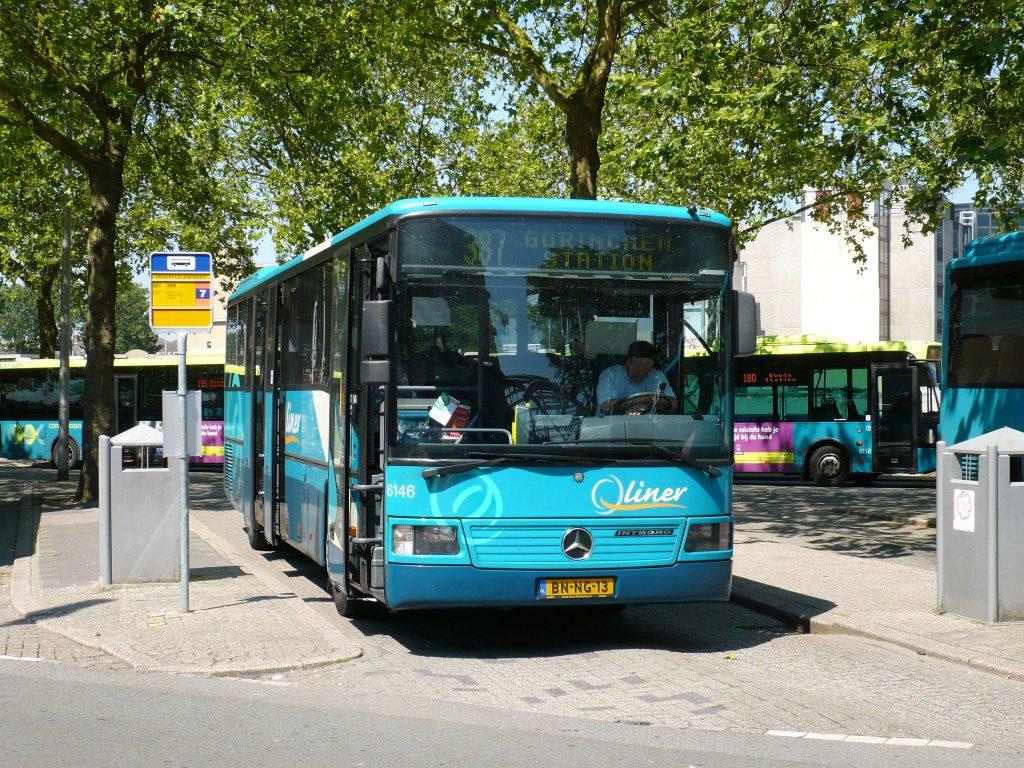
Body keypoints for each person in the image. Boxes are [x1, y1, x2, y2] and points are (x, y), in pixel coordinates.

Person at [596, 340, 678, 416]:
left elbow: (674, 403)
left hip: (649, 426)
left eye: (646, 369)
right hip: (612, 426)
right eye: (638, 368)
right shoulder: (610, 375)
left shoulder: (657, 376)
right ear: (628, 362)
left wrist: (636, 403)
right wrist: (646, 400)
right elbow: (606, 406)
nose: (642, 373)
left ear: (652, 365)